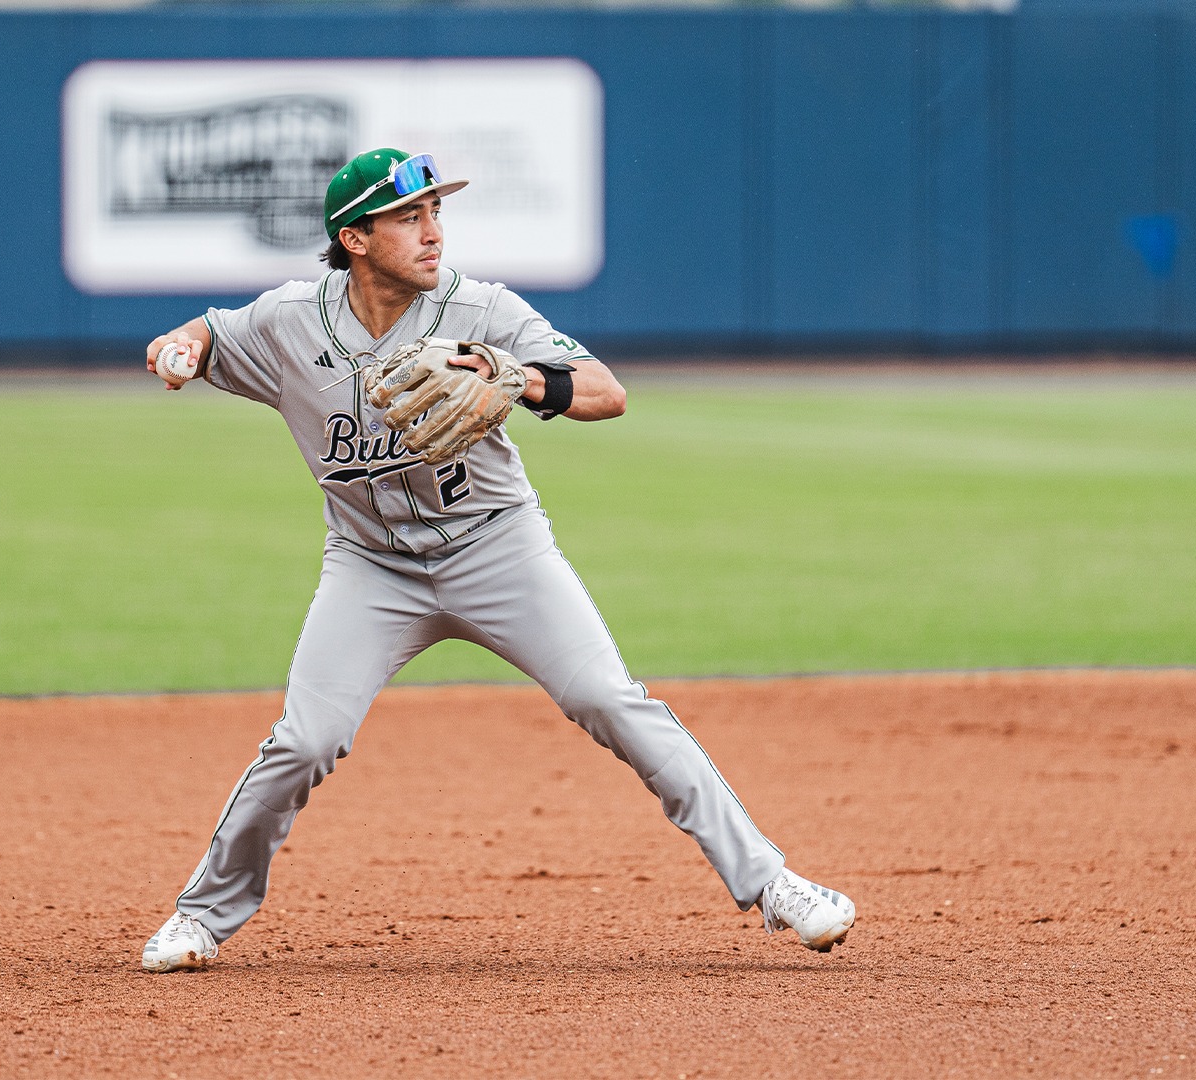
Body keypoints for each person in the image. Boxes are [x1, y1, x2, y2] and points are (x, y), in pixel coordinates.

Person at [139, 148, 854, 972]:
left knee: (610, 699)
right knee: (305, 740)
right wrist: (179, 350)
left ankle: (775, 886)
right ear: (356, 237)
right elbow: (207, 331)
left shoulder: (480, 308)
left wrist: (522, 382)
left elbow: (605, 392)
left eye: (437, 212)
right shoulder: (291, 321)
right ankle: (201, 917)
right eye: (410, 217)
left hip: (497, 547)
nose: (434, 231)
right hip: (371, 568)